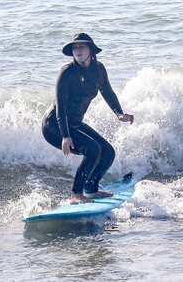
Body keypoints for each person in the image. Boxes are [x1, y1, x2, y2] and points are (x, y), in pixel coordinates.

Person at [42, 33, 134, 204]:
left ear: (91, 49)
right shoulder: (67, 73)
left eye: (81, 46)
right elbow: (60, 106)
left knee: (107, 152)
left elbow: (107, 92)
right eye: (74, 47)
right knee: (93, 150)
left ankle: (91, 189)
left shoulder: (99, 70)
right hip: (54, 125)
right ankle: (75, 194)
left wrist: (119, 113)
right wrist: (65, 135)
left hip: (74, 124)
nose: (77, 50)